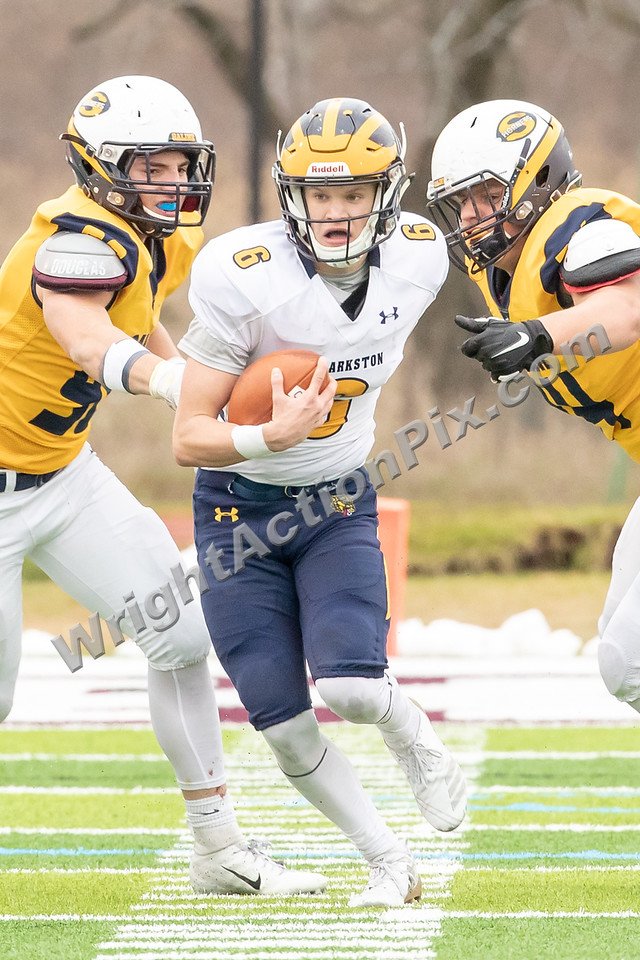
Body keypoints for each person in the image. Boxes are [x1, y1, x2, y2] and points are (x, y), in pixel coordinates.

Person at [0, 74, 326, 897]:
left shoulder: (162, 237)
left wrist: (189, 376)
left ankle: (217, 849)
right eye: (149, 167)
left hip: (61, 473)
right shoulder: (70, 239)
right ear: (99, 168)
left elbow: (135, 310)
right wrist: (181, 389)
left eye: (179, 163)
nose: (172, 182)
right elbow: (83, 337)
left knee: (178, 632)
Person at [173, 97, 467, 908]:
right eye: (318, 192)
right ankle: (387, 860)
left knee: (351, 687)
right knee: (281, 721)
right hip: (236, 507)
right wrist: (270, 435)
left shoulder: (420, 257)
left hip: (336, 499)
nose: (334, 212)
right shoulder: (242, 275)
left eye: (352, 193)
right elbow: (188, 437)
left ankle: (414, 737)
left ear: (389, 191)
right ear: (288, 192)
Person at [426, 99, 640, 715]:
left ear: (537, 181)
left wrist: (540, 335)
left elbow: (625, 310)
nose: (472, 216)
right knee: (624, 664)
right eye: (461, 203)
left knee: (628, 658)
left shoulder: (580, 224)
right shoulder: (505, 275)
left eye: (486, 195)